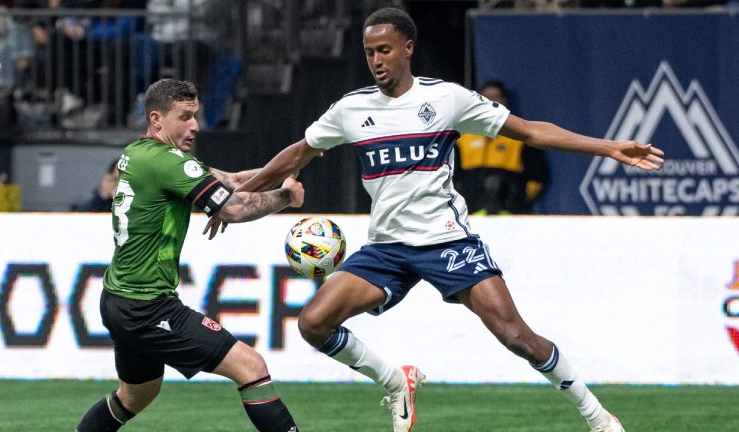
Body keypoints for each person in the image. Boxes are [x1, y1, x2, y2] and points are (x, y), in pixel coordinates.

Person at [205, 8, 663, 432]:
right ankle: (395, 381)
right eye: (368, 53)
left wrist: (607, 147)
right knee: (313, 323)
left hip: (446, 242)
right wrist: (244, 192)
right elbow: (298, 153)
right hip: (386, 248)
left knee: (515, 335)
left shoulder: (446, 100)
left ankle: (598, 416)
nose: (376, 61)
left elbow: (530, 132)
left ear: (408, 48)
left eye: (384, 50)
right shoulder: (352, 109)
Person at [75, 78, 303, 432]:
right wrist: (287, 198)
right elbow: (233, 210)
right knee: (251, 367)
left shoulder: (139, 154)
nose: (195, 126)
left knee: (135, 397)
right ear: (156, 120)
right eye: (185, 116)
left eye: (196, 116)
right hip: (147, 306)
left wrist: (288, 169)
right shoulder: (169, 162)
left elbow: (230, 179)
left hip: (119, 298)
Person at [455, 80, 550, 214]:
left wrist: (519, 202)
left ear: (504, 101)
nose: (490, 102)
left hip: (508, 211)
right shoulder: (463, 135)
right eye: (485, 98)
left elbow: (537, 176)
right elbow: (453, 175)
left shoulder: (519, 135)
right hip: (471, 211)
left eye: (495, 98)